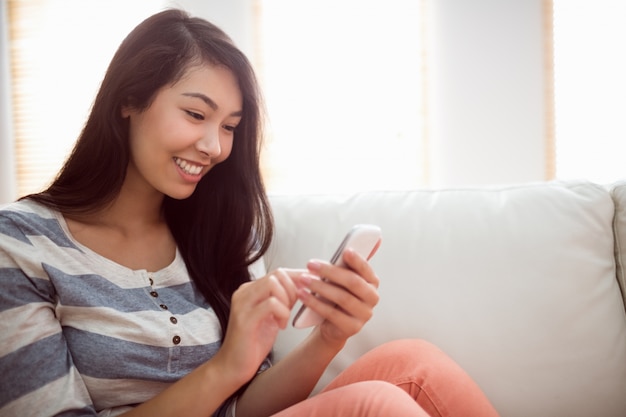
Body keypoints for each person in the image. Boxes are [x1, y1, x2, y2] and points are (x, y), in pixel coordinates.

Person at [0, 9, 500, 417]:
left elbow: (244, 408)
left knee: (412, 363)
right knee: (375, 403)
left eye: (230, 126)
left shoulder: (220, 231)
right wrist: (224, 368)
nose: (214, 146)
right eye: (196, 114)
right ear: (129, 99)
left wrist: (328, 337)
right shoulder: (20, 245)